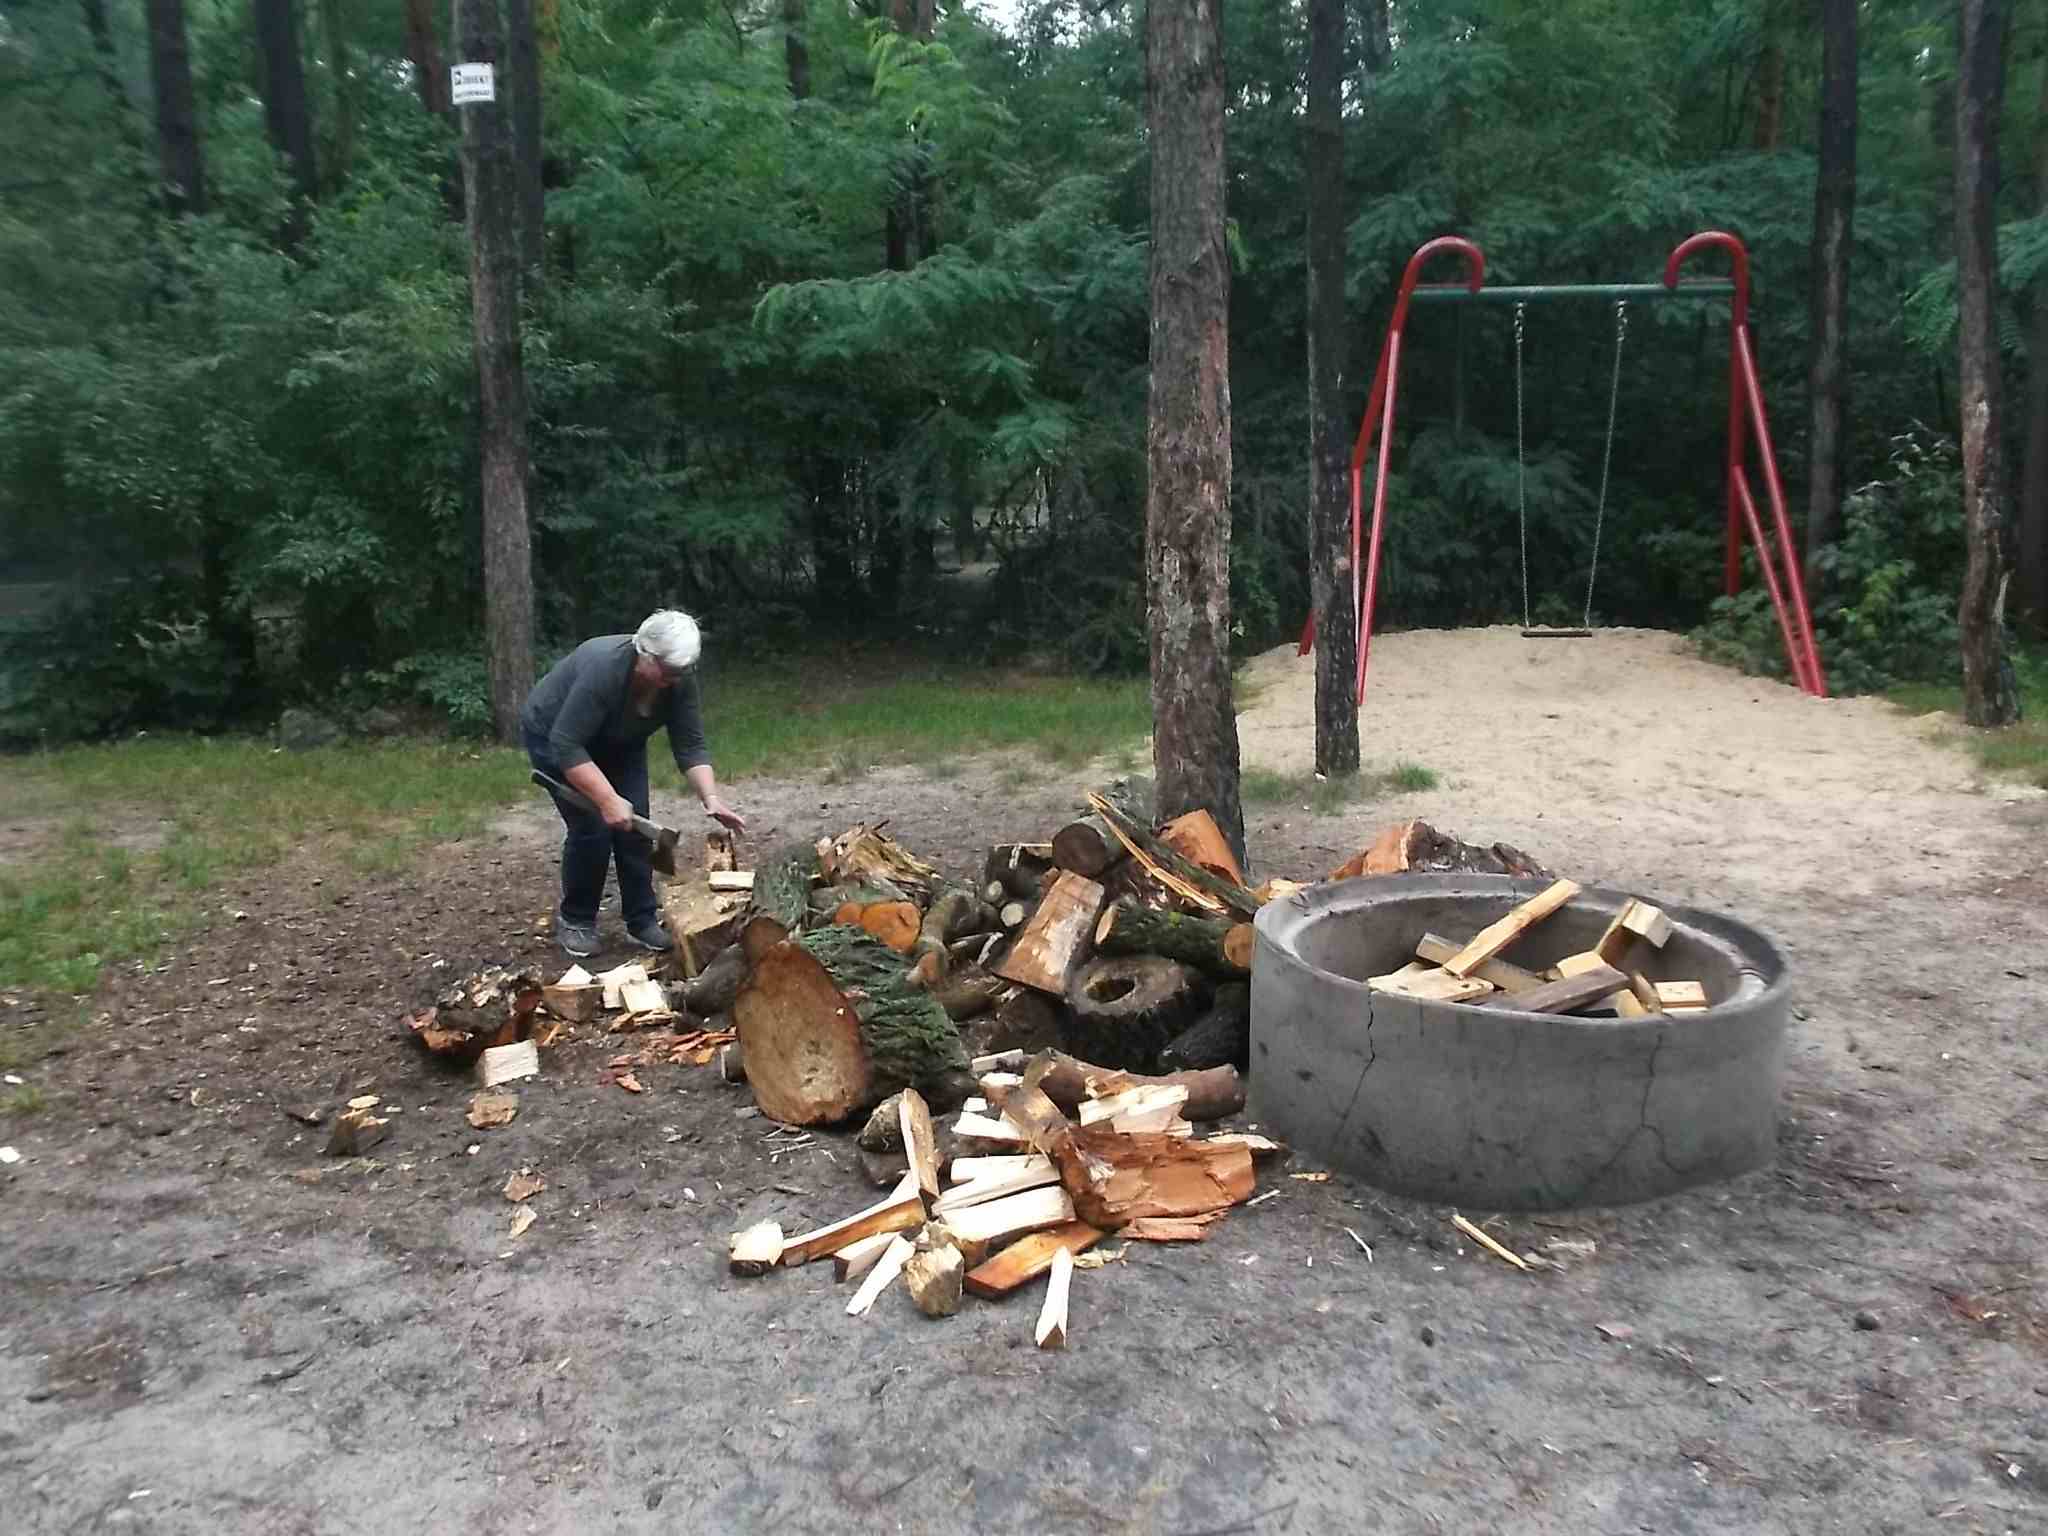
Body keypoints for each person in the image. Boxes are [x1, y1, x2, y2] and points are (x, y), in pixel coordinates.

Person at [523, 610, 746, 958]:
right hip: (556, 734)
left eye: (681, 671)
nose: (674, 679)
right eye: (668, 671)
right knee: (593, 828)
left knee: (636, 826)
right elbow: (566, 745)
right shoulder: (605, 671)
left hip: (620, 740)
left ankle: (641, 919)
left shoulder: (678, 679)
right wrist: (607, 799)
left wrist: (710, 797)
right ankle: (577, 920)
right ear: (645, 653)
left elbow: (690, 743)